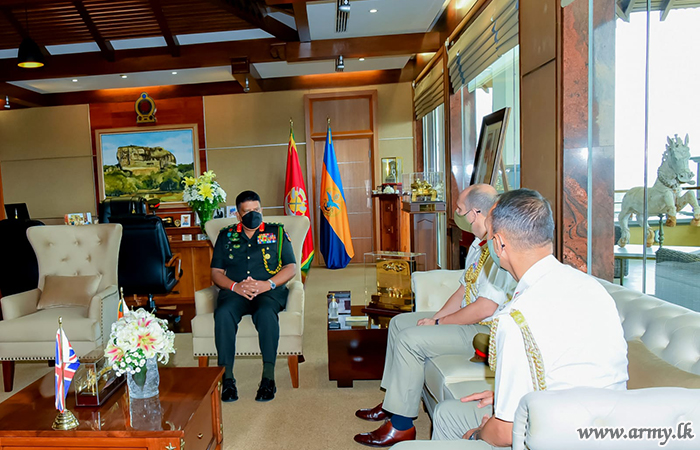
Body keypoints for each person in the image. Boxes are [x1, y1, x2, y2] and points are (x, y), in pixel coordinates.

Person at [430, 188, 628, 448]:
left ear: (499, 244)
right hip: (607, 429)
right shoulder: (593, 288)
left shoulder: (515, 318)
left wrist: (476, 435)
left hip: (554, 436)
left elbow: (505, 433)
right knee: (447, 413)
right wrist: (506, 396)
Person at [353, 184, 517, 447]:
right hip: (468, 320)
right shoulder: (478, 245)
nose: (457, 215)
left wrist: (439, 323)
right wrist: (435, 318)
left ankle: (401, 426)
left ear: (476, 213)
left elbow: (485, 308)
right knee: (399, 323)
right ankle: (392, 403)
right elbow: (462, 290)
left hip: (485, 331)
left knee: (410, 340)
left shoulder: (498, 250)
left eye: (460, 210)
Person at [211, 190, 296, 403]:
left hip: (268, 291)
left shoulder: (277, 232)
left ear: (262, 209)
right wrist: (235, 286)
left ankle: (268, 378)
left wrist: (268, 284)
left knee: (266, 313)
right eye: (247, 212)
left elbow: (291, 267)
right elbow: (216, 272)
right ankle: (227, 379)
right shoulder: (226, 235)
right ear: (238, 215)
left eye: (256, 210)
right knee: (223, 313)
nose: (253, 215)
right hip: (235, 292)